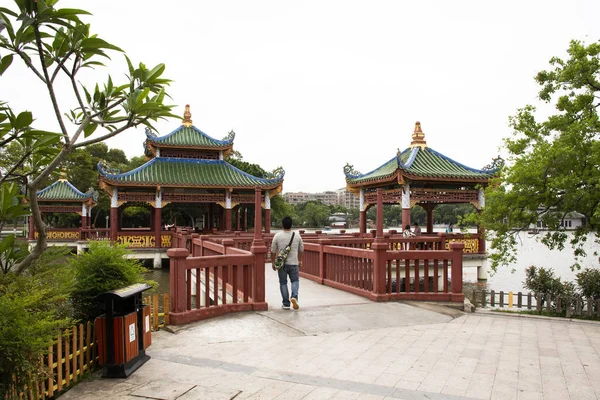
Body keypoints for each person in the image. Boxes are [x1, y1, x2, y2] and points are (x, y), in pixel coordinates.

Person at [271, 216, 304, 310]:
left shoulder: (277, 236)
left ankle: (286, 304)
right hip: (294, 263)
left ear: (282, 225)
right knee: (295, 281)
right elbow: (301, 249)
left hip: (281, 264)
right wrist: (300, 260)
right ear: (291, 225)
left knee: (283, 283)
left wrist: (273, 262)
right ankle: (294, 297)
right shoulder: (297, 235)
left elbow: (273, 250)